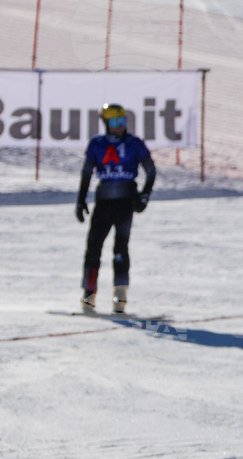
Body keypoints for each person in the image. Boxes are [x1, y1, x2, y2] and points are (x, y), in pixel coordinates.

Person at [75, 103, 156, 313]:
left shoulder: (134, 143)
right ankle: (88, 298)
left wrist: (144, 195)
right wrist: (81, 199)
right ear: (105, 123)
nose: (119, 127)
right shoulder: (96, 144)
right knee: (93, 248)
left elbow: (151, 170)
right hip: (103, 202)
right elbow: (86, 173)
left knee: (120, 250)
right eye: (114, 122)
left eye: (123, 122)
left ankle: (120, 300)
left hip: (125, 202)